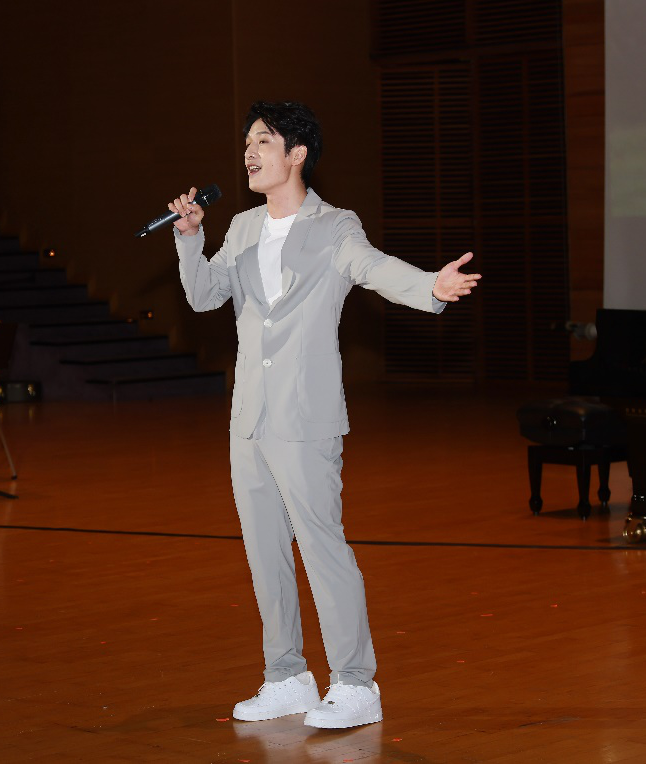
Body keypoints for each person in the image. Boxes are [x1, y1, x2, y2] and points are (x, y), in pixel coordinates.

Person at [169, 101, 480, 730]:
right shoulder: (242, 228)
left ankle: (356, 683)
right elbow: (204, 297)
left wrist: (431, 286)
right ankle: (286, 676)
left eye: (263, 141)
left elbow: (373, 269)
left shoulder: (335, 226)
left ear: (297, 154)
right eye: (247, 142)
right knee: (265, 552)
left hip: (305, 416)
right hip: (249, 418)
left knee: (321, 548)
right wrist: (190, 237)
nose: (250, 152)